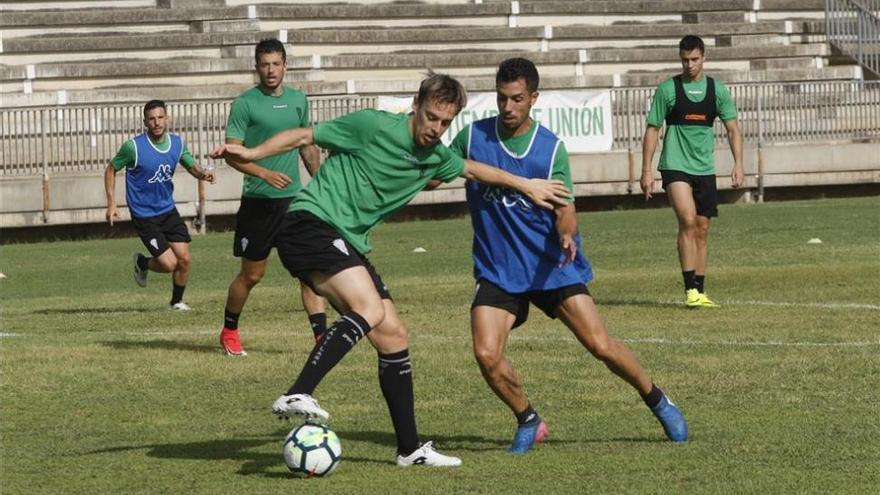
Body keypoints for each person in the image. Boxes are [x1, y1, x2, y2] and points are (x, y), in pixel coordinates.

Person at [211, 71, 571, 467]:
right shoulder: (373, 125)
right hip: (310, 223)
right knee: (369, 308)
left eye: (446, 122)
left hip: (347, 240)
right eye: (431, 117)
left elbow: (473, 169)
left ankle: (409, 449)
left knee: (393, 335)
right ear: (415, 106)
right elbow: (303, 136)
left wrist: (526, 185)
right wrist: (252, 154)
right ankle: (299, 391)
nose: (436, 128)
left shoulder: (435, 156)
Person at [447, 58, 687, 454]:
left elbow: (566, 206)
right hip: (499, 271)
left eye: (517, 99)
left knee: (600, 345)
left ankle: (657, 399)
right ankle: (528, 419)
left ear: (534, 99)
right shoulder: (472, 138)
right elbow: (441, 170)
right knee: (486, 354)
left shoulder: (549, 148)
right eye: (502, 98)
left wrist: (566, 233)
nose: (508, 108)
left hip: (551, 266)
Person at [219, 38, 327, 356]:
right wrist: (264, 173)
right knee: (252, 275)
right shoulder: (245, 104)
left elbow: (306, 144)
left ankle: (322, 338)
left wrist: (319, 182)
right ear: (256, 67)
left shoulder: (298, 100)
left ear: (285, 66)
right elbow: (231, 154)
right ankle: (229, 331)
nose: (270, 70)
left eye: (276, 64)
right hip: (258, 201)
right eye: (264, 64)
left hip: (294, 201)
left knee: (308, 271)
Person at [640, 35, 744, 308]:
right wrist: (647, 171)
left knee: (702, 228)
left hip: (704, 169)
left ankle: (700, 289)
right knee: (687, 220)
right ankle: (690, 291)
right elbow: (652, 129)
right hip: (675, 167)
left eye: (694, 59)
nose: (689, 65)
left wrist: (738, 164)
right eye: (685, 60)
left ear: (704, 57)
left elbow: (733, 130)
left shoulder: (717, 90)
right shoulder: (668, 90)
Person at [105, 99, 216, 311]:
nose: (156, 122)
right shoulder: (134, 147)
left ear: (167, 119)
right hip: (144, 214)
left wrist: (203, 174)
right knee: (169, 264)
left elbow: (191, 165)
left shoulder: (177, 144)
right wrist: (112, 203)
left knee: (184, 259)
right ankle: (142, 263)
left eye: (160, 117)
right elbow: (111, 169)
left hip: (167, 210)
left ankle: (176, 302)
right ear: (145, 122)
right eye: (151, 119)